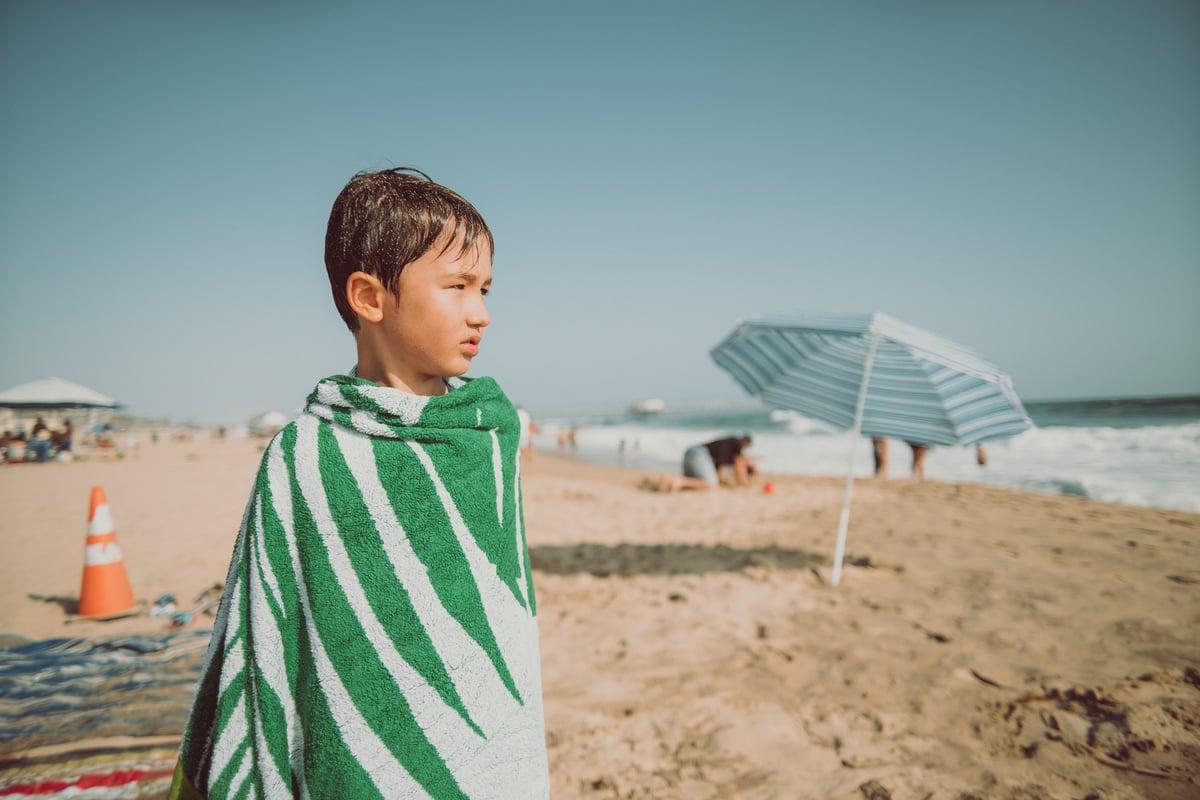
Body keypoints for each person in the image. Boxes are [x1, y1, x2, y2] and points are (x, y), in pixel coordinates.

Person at [170, 168, 550, 799]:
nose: (481, 313)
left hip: (493, 751)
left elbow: (503, 614)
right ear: (370, 298)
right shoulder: (306, 455)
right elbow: (267, 624)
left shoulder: (489, 432)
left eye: (485, 289)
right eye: (457, 286)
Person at [659, 434, 756, 492]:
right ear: (746, 443)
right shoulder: (737, 444)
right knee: (712, 485)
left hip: (691, 452)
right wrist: (745, 485)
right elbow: (738, 465)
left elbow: (722, 469)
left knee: (697, 482)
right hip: (700, 454)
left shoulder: (728, 444)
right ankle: (679, 481)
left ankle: (671, 479)